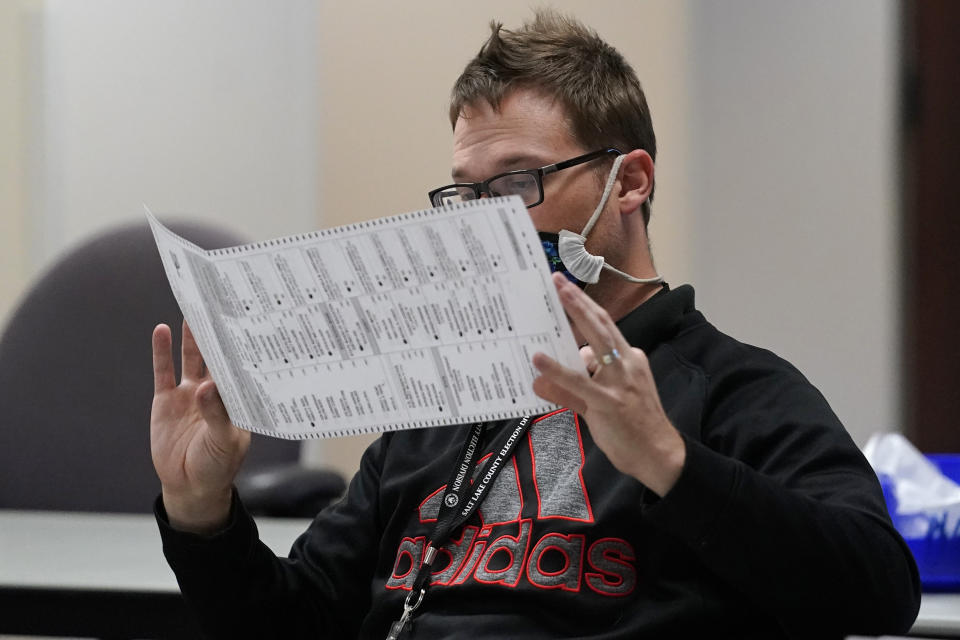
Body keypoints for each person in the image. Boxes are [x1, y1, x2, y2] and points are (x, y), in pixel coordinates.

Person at [151, 10, 920, 639]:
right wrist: (200, 512)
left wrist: (668, 463)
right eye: (467, 192)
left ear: (630, 182)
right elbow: (300, 623)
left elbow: (878, 590)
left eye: (518, 182)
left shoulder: (732, 390)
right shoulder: (446, 392)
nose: (485, 222)